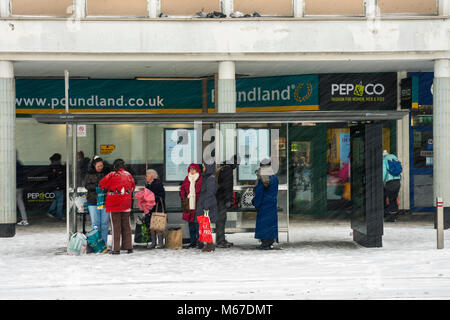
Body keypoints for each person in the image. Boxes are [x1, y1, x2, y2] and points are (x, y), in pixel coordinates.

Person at [99, 159, 135, 254]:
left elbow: (102, 185)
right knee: (126, 226)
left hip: (114, 204)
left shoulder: (111, 175)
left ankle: (116, 249)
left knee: (116, 227)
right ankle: (128, 247)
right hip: (126, 203)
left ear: (115, 166)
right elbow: (132, 187)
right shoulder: (128, 175)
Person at [253, 159, 279, 250]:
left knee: (263, 223)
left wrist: (256, 203)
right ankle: (270, 241)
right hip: (272, 203)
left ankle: (264, 243)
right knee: (270, 223)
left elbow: (259, 192)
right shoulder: (274, 176)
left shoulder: (262, 177)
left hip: (264, 204)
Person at [216, 155, 239, 248]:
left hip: (219, 197)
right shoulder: (228, 170)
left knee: (221, 219)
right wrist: (228, 199)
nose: (238, 165)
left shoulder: (223, 168)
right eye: (237, 163)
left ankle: (221, 239)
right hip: (221, 198)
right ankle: (220, 241)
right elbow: (227, 186)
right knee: (221, 219)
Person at [84, 156, 109, 246]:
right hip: (93, 201)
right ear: (94, 165)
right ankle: (96, 243)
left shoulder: (107, 173)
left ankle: (104, 242)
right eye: (98, 166)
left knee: (105, 223)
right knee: (95, 223)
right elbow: (86, 186)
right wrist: (97, 187)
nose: (100, 167)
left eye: (101, 165)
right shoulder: (89, 174)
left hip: (104, 201)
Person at [196, 161, 218, 252]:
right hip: (204, 204)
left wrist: (206, 205)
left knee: (205, 226)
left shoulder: (210, 178)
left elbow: (210, 193)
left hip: (206, 205)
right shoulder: (207, 177)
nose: (203, 168)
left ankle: (210, 244)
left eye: (204, 166)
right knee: (204, 225)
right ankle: (209, 244)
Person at [180, 163, 202, 248]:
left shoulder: (200, 179)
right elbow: (182, 188)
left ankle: (200, 242)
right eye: (190, 169)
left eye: (193, 169)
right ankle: (193, 241)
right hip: (189, 204)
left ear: (197, 170)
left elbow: (203, 191)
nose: (192, 171)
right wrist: (184, 197)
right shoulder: (187, 178)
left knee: (198, 224)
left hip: (197, 204)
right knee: (191, 224)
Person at [145, 169, 166, 249]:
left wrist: (151, 197)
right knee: (151, 226)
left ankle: (160, 243)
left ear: (152, 176)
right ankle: (153, 242)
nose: (145, 177)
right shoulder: (148, 184)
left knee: (158, 226)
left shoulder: (158, 184)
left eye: (146, 175)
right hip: (150, 207)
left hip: (158, 208)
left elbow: (161, 196)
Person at [383, 150, 402, 222]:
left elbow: (383, 173)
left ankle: (392, 217)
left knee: (391, 200)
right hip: (397, 182)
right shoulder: (395, 159)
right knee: (394, 198)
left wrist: (382, 181)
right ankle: (395, 215)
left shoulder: (384, 161)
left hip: (390, 182)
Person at [47, 153, 65, 220]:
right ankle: (59, 215)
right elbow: (59, 177)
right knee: (60, 200)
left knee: (56, 199)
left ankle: (51, 211)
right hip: (58, 186)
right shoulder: (58, 167)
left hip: (54, 186)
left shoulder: (51, 166)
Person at [16, 154, 29, 226]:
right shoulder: (19, 163)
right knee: (20, 203)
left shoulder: (10, 163)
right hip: (20, 186)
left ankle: (8, 219)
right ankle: (25, 219)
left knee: (11, 203)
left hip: (13, 186)